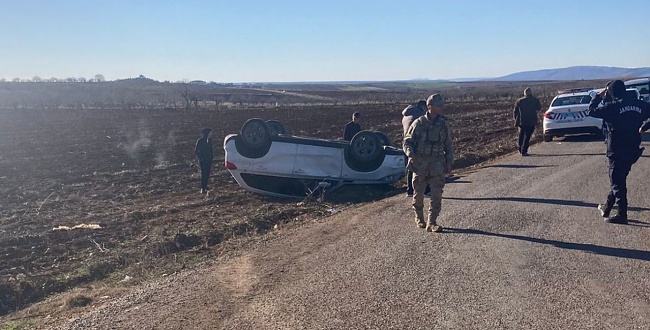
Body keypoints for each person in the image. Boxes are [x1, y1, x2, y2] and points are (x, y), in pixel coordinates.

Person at [588, 80, 650, 224]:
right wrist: (645, 127)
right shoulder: (639, 104)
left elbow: (591, 111)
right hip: (632, 148)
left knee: (617, 180)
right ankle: (607, 206)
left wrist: (597, 97)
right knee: (619, 179)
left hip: (616, 149)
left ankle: (622, 214)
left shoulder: (613, 107)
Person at [403, 93, 454, 232]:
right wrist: (411, 155)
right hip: (421, 165)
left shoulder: (443, 124)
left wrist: (449, 162)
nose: (441, 108)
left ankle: (432, 222)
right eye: (438, 106)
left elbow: (448, 144)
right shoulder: (418, 123)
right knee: (418, 194)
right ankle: (419, 218)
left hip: (437, 165)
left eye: (442, 105)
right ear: (429, 107)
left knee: (436, 195)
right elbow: (407, 141)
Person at [401, 99, 429, 197]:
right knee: (425, 165)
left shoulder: (406, 115)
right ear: (423, 107)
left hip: (407, 142)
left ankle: (409, 191)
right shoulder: (420, 115)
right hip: (417, 142)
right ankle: (425, 190)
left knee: (411, 166)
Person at [513, 87, 541, 156]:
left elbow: (515, 112)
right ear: (531, 92)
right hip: (531, 121)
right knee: (527, 136)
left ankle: (520, 148)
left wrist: (516, 120)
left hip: (521, 121)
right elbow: (539, 108)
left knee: (521, 135)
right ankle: (524, 150)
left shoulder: (519, 101)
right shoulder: (535, 100)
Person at [195, 128, 214, 194]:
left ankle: (205, 186)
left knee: (207, 174)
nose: (211, 134)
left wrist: (211, 158)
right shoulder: (200, 141)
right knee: (204, 174)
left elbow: (210, 150)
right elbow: (196, 151)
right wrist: (201, 158)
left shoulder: (210, 140)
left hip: (209, 160)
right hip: (203, 161)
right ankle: (202, 188)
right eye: (210, 132)